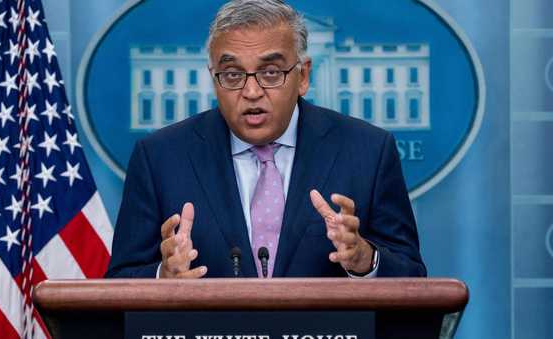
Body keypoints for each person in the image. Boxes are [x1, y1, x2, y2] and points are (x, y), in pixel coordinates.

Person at [106, 0, 426, 279]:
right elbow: (119, 282)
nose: (252, 91)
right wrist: (163, 276)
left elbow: (412, 277)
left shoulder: (368, 151)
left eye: (270, 72)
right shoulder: (160, 157)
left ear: (302, 77)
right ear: (214, 79)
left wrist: (364, 259)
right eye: (232, 75)